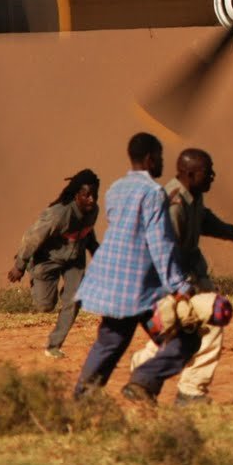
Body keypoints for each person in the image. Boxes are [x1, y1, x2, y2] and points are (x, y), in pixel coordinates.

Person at [130, 148, 233, 405]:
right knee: (208, 321)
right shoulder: (173, 204)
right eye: (208, 171)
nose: (213, 176)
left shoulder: (192, 196)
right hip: (170, 281)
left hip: (189, 276)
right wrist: (177, 289)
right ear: (190, 173)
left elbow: (205, 221)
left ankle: (144, 372)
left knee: (182, 331)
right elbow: (160, 251)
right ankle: (189, 390)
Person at [72, 132, 195, 401]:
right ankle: (143, 382)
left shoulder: (115, 189)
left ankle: (82, 401)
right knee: (183, 338)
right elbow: (160, 243)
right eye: (161, 157)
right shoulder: (152, 192)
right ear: (151, 160)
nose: (163, 163)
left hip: (114, 284)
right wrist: (179, 286)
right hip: (142, 291)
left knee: (110, 342)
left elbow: (125, 227)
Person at [6, 168, 100, 359]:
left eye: (94, 195)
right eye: (86, 195)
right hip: (47, 259)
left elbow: (88, 233)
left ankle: (53, 345)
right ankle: (36, 277)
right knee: (45, 306)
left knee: (74, 300)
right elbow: (32, 237)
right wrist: (19, 266)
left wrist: (97, 252)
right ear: (76, 195)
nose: (92, 199)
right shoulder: (59, 214)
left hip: (74, 259)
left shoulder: (93, 211)